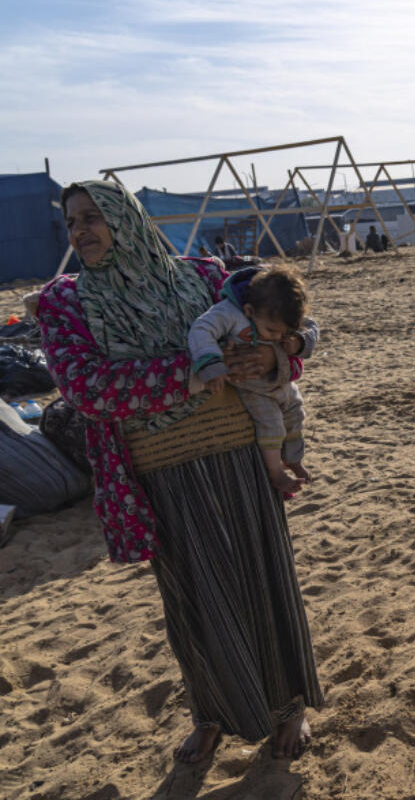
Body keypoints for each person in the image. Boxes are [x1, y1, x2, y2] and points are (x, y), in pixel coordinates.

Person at [35, 180, 323, 763]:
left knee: (263, 580)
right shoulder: (64, 301)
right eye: (72, 223)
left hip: (241, 459)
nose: (82, 230)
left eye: (94, 216)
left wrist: (276, 353)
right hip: (159, 476)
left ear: (127, 218)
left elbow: (298, 323)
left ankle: (288, 706)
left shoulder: (206, 275)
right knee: (192, 600)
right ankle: (212, 714)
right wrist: (192, 371)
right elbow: (86, 389)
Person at [189, 263, 313, 493]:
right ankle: (276, 473)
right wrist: (211, 365)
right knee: (272, 426)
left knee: (296, 415)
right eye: (273, 332)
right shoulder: (229, 313)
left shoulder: (281, 310)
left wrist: (298, 342)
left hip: (283, 382)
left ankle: (294, 459)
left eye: (285, 333)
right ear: (248, 311)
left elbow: (311, 327)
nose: (279, 338)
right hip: (253, 388)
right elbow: (201, 330)